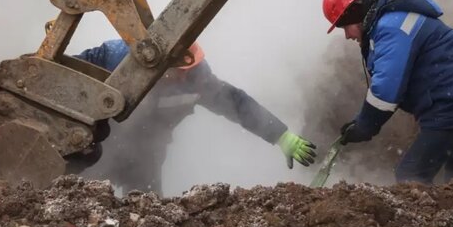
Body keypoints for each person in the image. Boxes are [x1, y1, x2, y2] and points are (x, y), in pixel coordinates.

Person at [322, 0, 453, 184]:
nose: (347, 35)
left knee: (410, 176)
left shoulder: (390, 26)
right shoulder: (394, 19)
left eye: (344, 26)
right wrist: (361, 122)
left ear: (355, 12)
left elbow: (386, 89)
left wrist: (365, 126)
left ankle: (439, 214)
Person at [74, 40, 315, 194]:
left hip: (147, 157)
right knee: (75, 200)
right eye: (180, 71)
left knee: (146, 217)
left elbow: (235, 103)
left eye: (190, 70)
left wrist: (280, 135)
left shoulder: (197, 80)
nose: (185, 77)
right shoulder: (117, 57)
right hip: (101, 149)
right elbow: (68, 74)